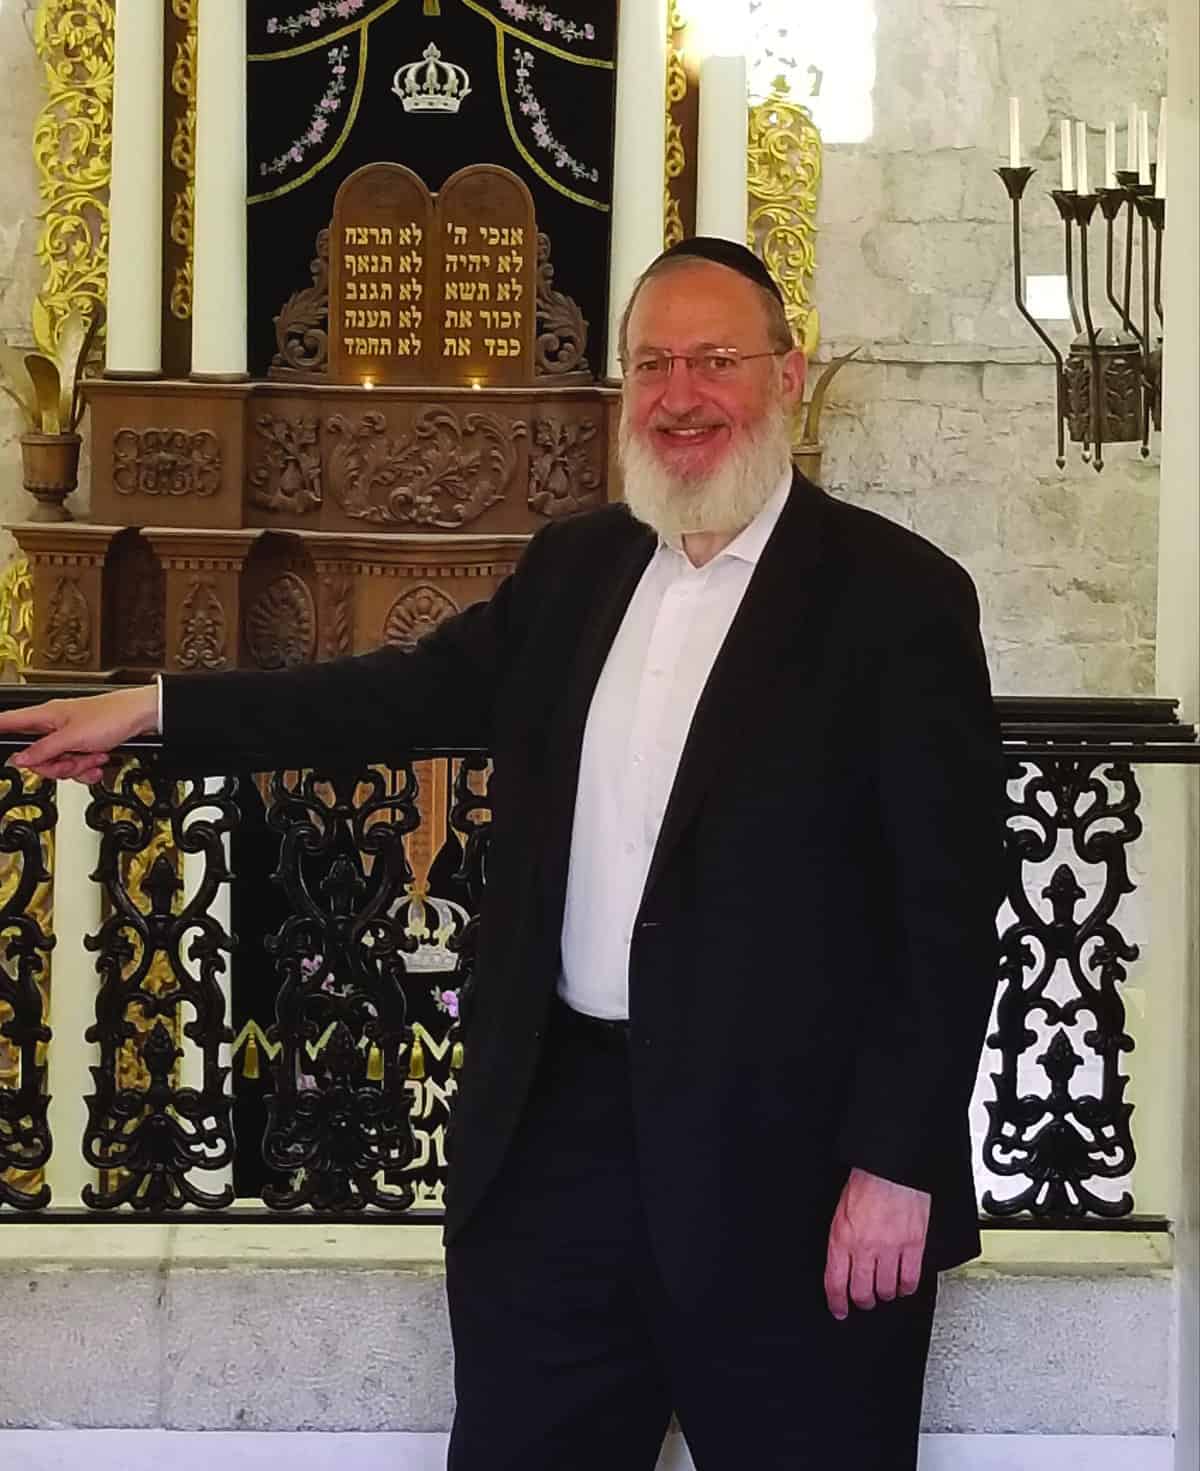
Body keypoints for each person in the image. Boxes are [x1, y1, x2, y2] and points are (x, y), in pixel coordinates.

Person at [1, 237, 1006, 1470]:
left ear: (786, 376)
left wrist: (898, 1161)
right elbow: (389, 696)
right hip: (559, 1148)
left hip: (791, 1161)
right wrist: (158, 709)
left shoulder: (897, 596)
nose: (681, 395)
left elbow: (948, 907)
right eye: (652, 364)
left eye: (715, 360)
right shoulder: (578, 566)